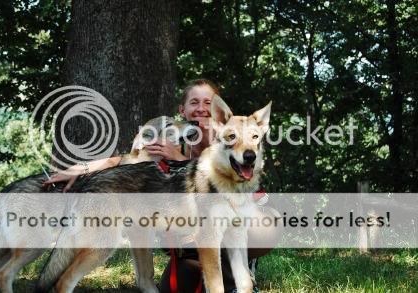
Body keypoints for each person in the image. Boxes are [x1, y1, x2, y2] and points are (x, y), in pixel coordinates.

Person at [44, 79, 280, 292]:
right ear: (183, 110)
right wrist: (83, 168)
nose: (201, 108)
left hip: (228, 233)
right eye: (193, 102)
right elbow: (127, 161)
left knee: (249, 223)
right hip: (186, 250)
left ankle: (241, 277)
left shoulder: (238, 144)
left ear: (217, 112)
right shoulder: (172, 139)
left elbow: (246, 193)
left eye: (207, 102)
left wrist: (178, 160)